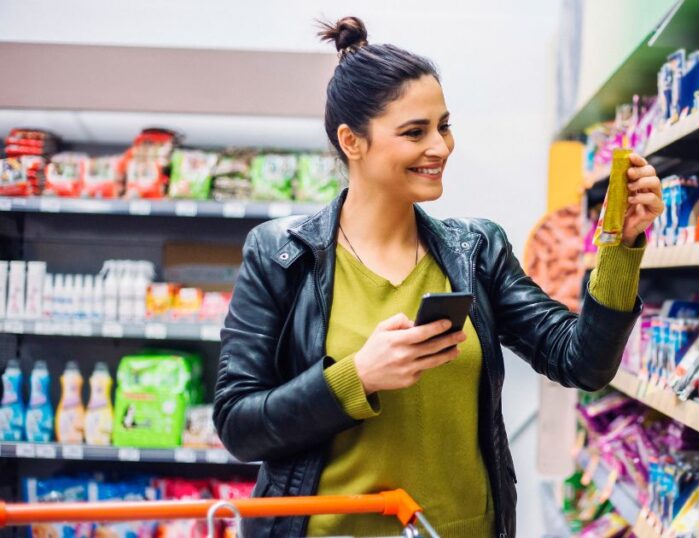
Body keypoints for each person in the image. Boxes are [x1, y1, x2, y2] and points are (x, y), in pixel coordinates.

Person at [213, 16, 664, 538]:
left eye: (443, 126)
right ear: (351, 141)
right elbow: (239, 425)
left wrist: (620, 247)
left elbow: (580, 362)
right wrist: (357, 376)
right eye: (415, 132)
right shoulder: (280, 255)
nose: (441, 147)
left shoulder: (475, 250)